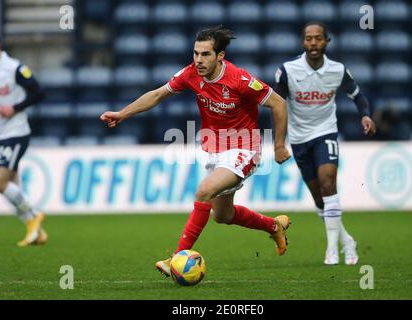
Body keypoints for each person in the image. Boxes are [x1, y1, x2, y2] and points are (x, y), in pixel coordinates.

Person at [100, 26, 292, 277]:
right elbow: (157, 95)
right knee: (222, 215)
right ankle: (273, 226)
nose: (199, 60)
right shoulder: (191, 74)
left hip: (244, 148)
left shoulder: (240, 80)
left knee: (203, 191)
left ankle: (175, 259)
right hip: (216, 150)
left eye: (206, 54)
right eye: (195, 53)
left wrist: (278, 145)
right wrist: (123, 114)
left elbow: (278, 103)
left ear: (220, 56)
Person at [274, 22, 376, 265]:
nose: (313, 43)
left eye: (318, 38)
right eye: (308, 38)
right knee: (320, 199)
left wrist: (365, 114)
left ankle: (331, 249)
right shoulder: (287, 70)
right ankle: (347, 240)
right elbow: (277, 105)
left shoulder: (338, 70)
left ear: (326, 42)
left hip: (325, 133)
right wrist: (279, 142)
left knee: (329, 182)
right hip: (299, 139)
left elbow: (358, 96)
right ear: (303, 43)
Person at [0, 29, 47, 246]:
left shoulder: (14, 68)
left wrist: (15, 107)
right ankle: (36, 233)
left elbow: (39, 92)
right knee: (12, 185)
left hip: (14, 132)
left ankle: (34, 215)